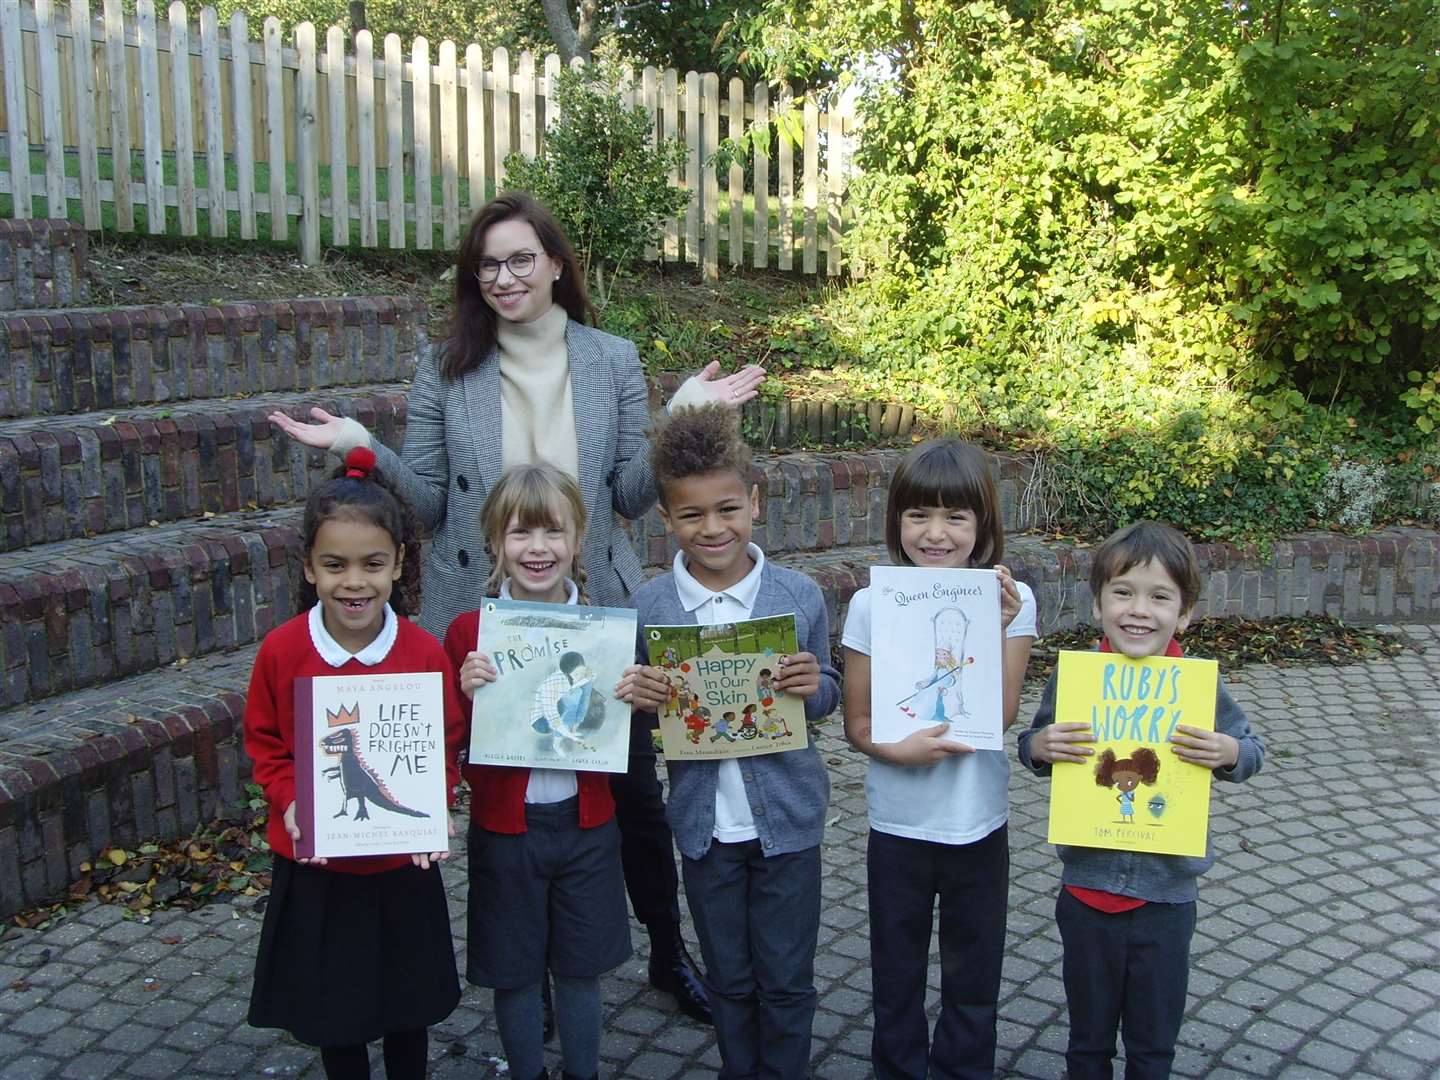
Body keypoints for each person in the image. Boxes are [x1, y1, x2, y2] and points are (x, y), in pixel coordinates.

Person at [268, 191, 754, 1020]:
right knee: (497, 809)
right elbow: (422, 505)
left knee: (631, 797)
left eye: (521, 258)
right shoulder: (446, 367)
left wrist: (678, 419)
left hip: (592, 611)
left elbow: (634, 495)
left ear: (557, 264)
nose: (505, 276)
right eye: (488, 263)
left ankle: (667, 956)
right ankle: (500, 971)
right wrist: (363, 446)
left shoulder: (611, 358)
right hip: (483, 616)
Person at [623, 405, 841, 1079]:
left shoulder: (797, 596)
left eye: (727, 509)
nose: (712, 528)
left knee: (786, 978)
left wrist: (815, 683)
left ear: (753, 502)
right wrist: (638, 697)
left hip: (789, 825)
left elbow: (828, 692)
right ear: (665, 519)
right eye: (691, 516)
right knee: (731, 977)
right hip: (703, 829)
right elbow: (641, 716)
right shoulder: (652, 607)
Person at [244, 447, 467, 1080]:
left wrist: (435, 806)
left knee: (406, 1004)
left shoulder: (422, 653)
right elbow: (267, 743)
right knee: (334, 1008)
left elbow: (444, 743)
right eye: (334, 565)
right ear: (310, 569)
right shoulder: (282, 652)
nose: (354, 582)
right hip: (319, 866)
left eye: (372, 564)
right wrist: (290, 801)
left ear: (399, 564)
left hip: (401, 864)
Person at [1017, 521, 1266, 1080]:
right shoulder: (1074, 680)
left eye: (1160, 597)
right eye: (1123, 592)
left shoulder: (1198, 687)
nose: (1138, 610)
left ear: (1185, 613)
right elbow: (1031, 748)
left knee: (1154, 1047)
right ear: (1100, 602)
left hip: (1166, 900)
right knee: (1087, 1042)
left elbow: (1251, 750)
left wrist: (1227, 751)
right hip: (1085, 893)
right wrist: (1038, 745)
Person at [444, 463, 656, 1080]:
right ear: (494, 542)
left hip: (588, 824)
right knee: (512, 969)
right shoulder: (469, 634)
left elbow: (622, 733)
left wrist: (639, 695)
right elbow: (452, 739)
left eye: (552, 534)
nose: (537, 549)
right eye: (519, 534)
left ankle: (582, 1073)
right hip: (505, 829)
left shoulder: (607, 631)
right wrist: (462, 692)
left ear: (578, 538)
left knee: (580, 965)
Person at [839, 438, 1036, 1080]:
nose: (936, 533)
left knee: (973, 973)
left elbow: (999, 716)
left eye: (956, 517)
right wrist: (892, 749)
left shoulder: (1014, 601)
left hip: (976, 821)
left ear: (983, 526)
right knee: (895, 972)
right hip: (897, 822)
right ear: (897, 519)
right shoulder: (871, 603)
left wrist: (997, 625)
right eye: (919, 514)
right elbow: (859, 723)